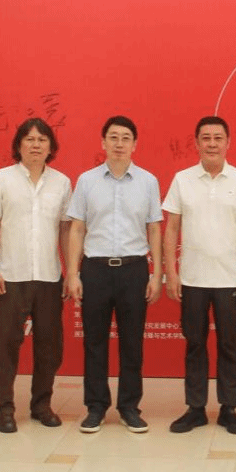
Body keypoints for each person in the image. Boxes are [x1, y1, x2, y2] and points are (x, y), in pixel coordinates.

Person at [162, 116, 236, 435]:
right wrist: (171, 273)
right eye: (206, 138)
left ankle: (229, 408)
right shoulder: (183, 179)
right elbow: (171, 228)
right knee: (194, 344)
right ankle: (196, 408)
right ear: (196, 143)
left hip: (229, 279)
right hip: (192, 279)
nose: (212, 144)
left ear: (228, 143)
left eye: (218, 138)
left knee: (229, 345)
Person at [66, 116, 163, 434]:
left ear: (135, 144)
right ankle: (95, 407)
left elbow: (154, 228)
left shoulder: (148, 181)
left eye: (125, 138)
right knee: (94, 342)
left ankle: (129, 407)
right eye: (113, 137)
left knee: (132, 342)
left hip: (134, 269)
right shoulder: (86, 181)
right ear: (103, 142)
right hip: (95, 269)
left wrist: (156, 273)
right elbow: (77, 228)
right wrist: (73, 273)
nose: (119, 143)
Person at [0, 118, 72, 434]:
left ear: (50, 146)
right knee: (4, 346)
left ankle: (41, 405)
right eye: (29, 139)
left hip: (48, 276)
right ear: (18, 145)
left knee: (49, 345)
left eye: (42, 139)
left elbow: (65, 230)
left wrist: (70, 271)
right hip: (10, 275)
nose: (36, 145)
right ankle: (5, 407)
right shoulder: (1, 179)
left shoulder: (62, 182)